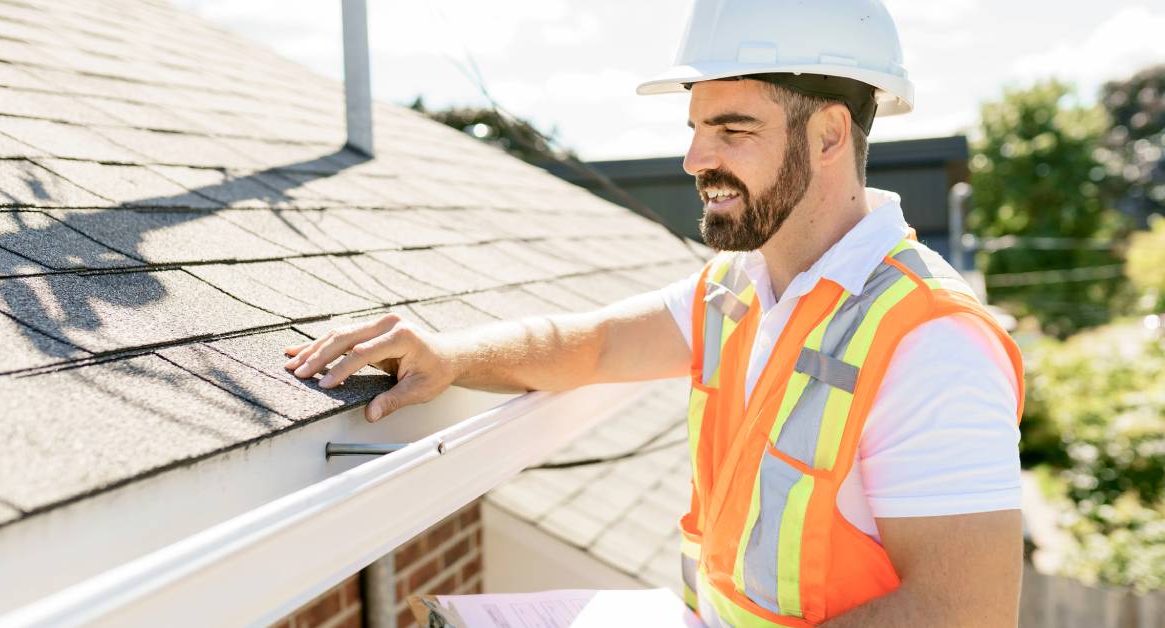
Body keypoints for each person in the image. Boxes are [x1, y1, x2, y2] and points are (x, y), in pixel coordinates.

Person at [284, 1, 1025, 625]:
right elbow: (597, 346)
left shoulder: (931, 341)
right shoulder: (738, 288)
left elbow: (964, 612)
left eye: (733, 131)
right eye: (696, 128)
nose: (695, 159)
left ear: (830, 134)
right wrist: (450, 356)